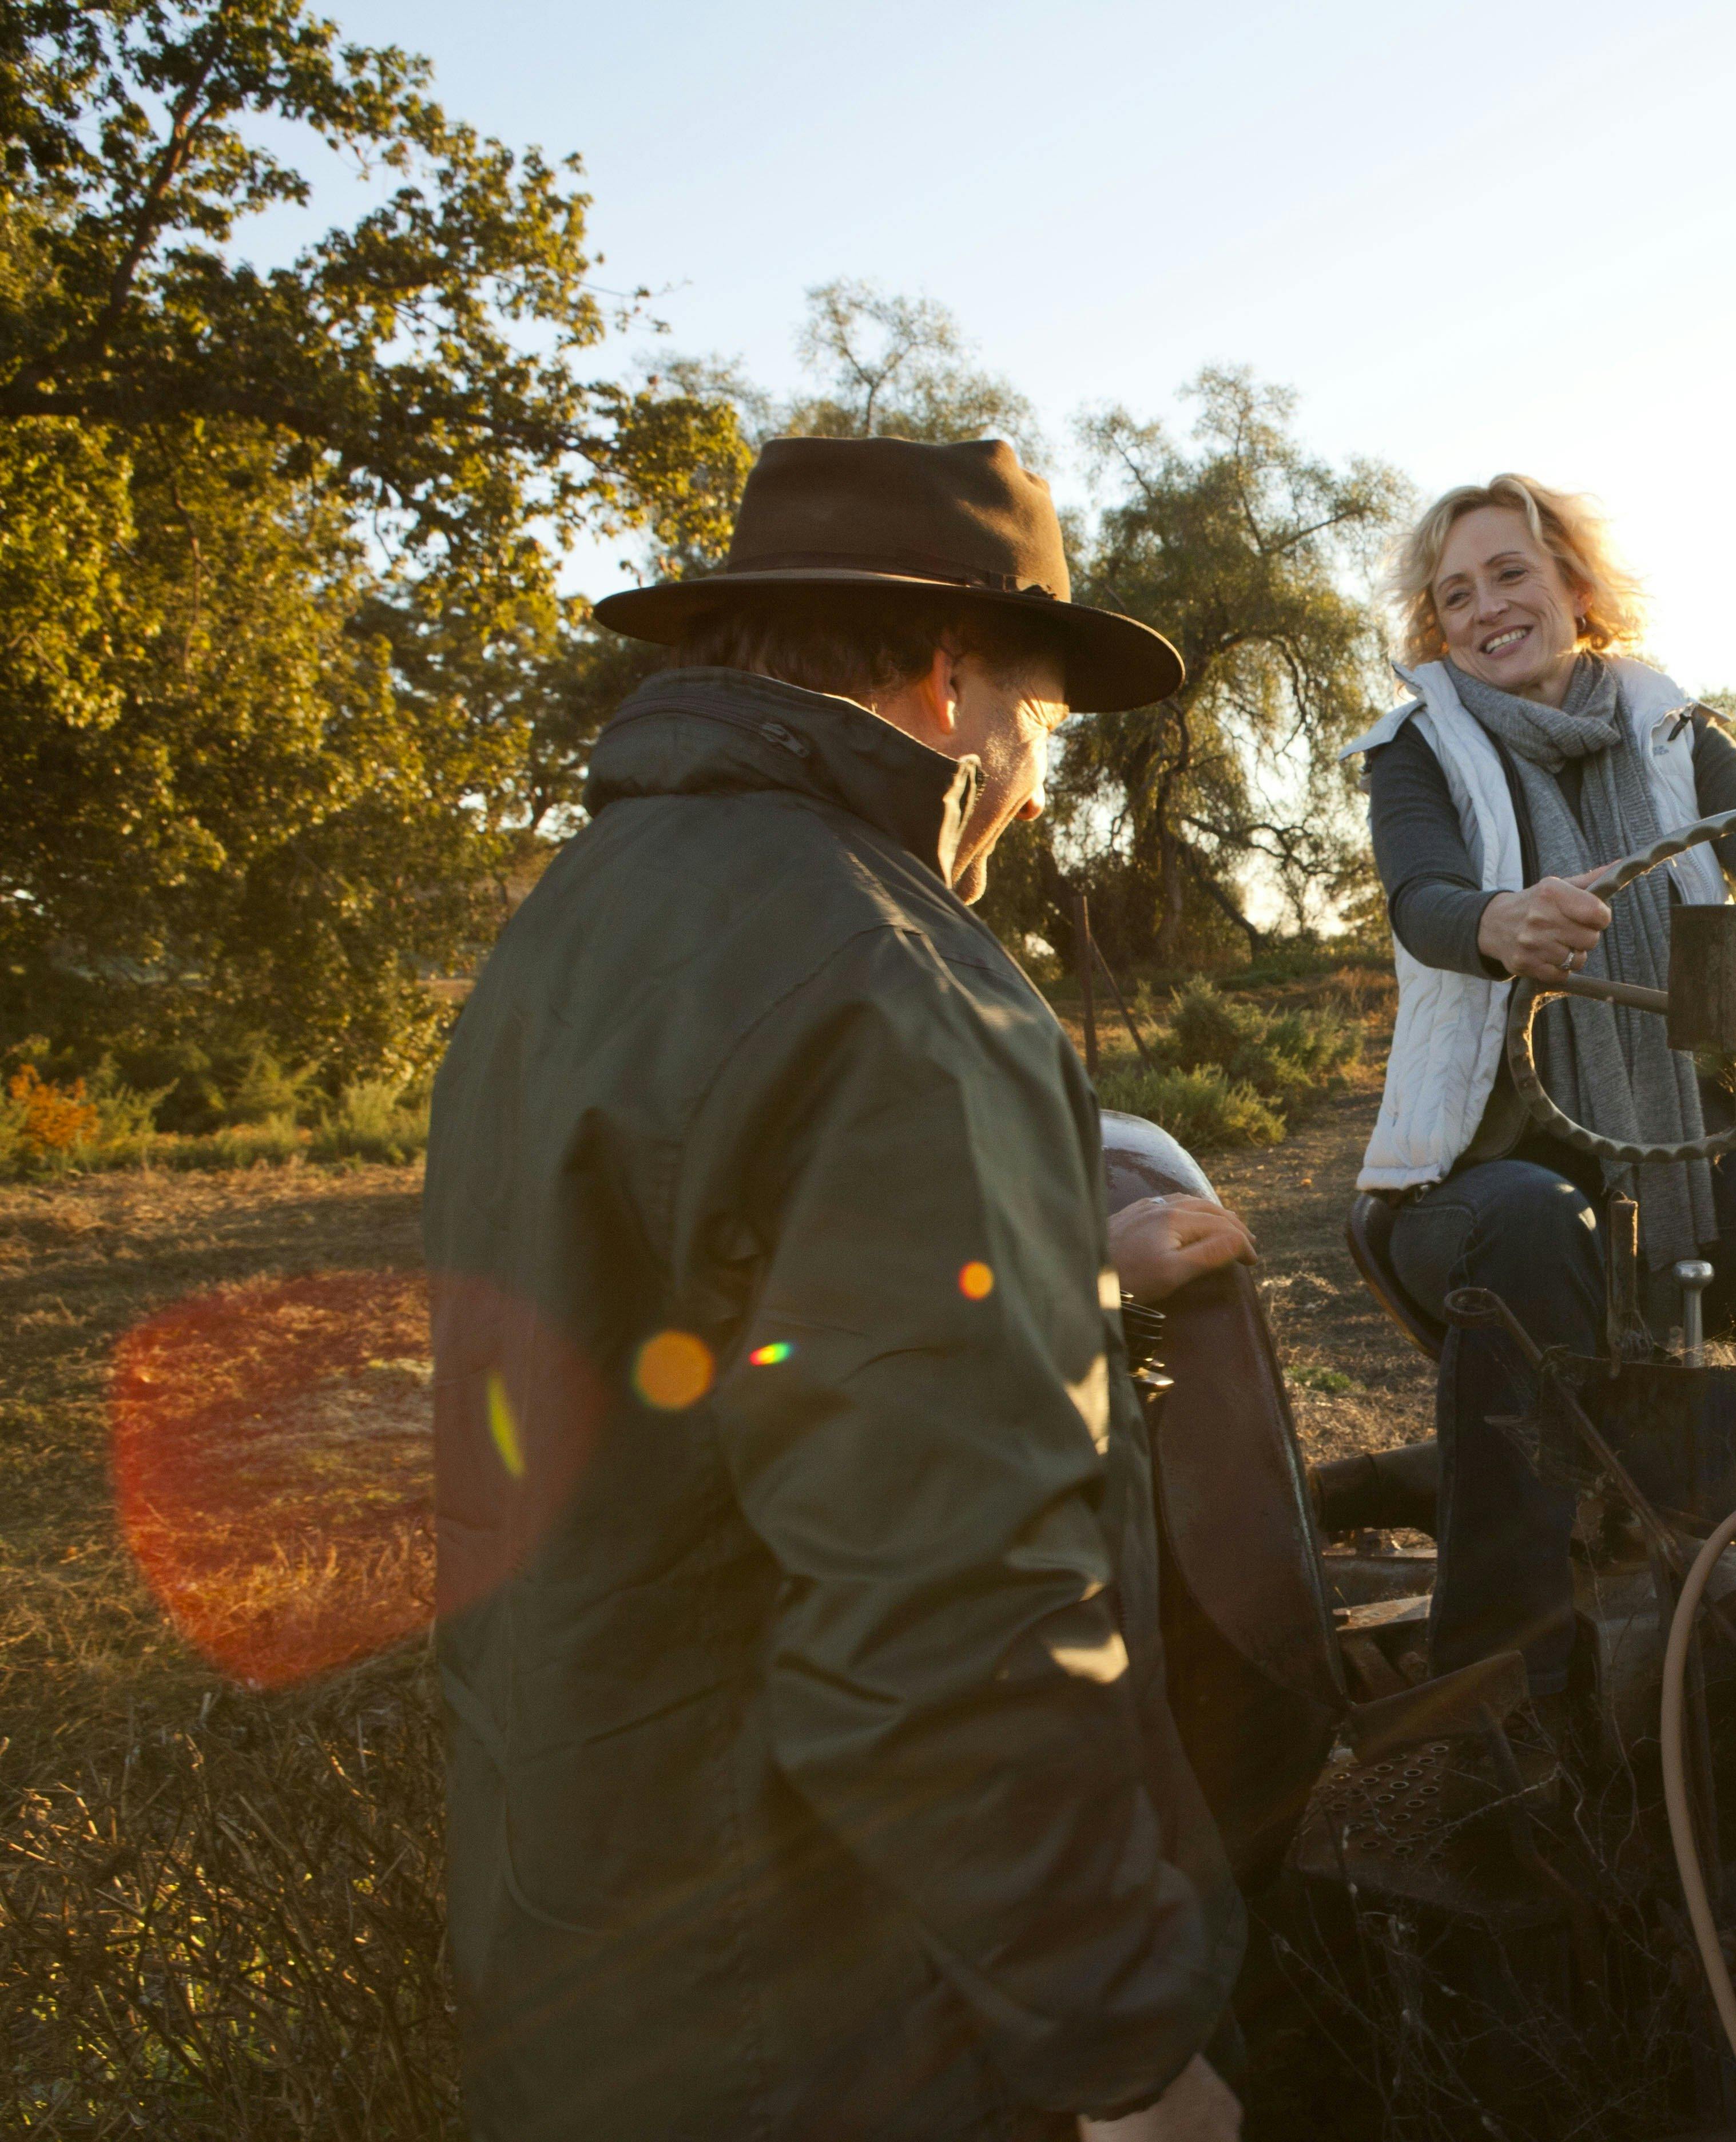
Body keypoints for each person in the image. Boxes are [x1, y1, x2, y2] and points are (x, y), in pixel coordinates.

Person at [425, 437, 1257, 2142]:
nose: (1034, 786)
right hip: (833, 2014)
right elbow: (944, 1610)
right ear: (954, 683)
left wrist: (1049, 1277)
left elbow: (692, 1332)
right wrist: (1127, 2048)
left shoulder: (577, 924)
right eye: (1040, 726)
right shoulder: (888, 979)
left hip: (585, 1950)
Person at [1346, 474, 1736, 1695]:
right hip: (1475, 1169)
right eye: (1455, 594)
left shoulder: (1671, 729)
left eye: (1510, 574)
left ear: (1576, 585)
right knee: (1531, 1228)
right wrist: (1497, 920)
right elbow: (1419, 894)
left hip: (1673, 1146)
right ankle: (1506, 1697)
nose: (1485, 609)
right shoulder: (1419, 748)